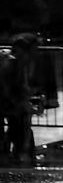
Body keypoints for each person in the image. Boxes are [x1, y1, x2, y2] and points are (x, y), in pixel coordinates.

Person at [0, 38, 34, 166]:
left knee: (17, 123)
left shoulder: (15, 61)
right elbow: (7, 85)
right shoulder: (12, 62)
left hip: (8, 100)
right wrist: (16, 102)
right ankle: (17, 153)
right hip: (6, 100)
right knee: (18, 124)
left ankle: (11, 151)